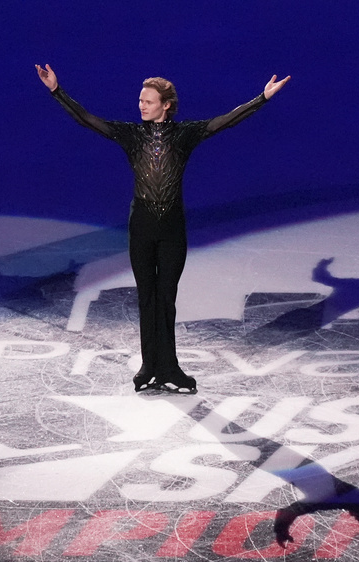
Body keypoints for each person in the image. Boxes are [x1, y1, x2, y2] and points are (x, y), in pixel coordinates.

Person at [36, 63, 290, 393]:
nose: (141, 105)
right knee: (146, 298)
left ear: (165, 105)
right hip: (141, 228)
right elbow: (87, 119)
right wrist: (57, 91)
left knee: (166, 299)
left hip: (172, 230)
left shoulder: (184, 135)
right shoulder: (131, 135)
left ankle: (169, 368)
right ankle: (149, 366)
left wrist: (262, 98)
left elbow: (225, 121)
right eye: (140, 100)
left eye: (148, 101)